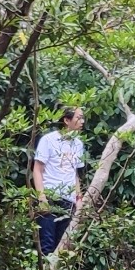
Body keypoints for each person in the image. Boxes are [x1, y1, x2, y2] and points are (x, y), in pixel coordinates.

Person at [31, 107, 85, 259]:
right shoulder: (48, 140)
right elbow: (37, 170)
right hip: (50, 197)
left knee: (64, 248)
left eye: (82, 118)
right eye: (78, 118)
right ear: (66, 120)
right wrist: (42, 199)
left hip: (69, 202)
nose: (82, 122)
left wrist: (78, 200)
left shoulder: (78, 144)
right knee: (47, 246)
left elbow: (75, 174)